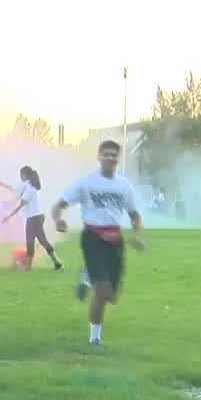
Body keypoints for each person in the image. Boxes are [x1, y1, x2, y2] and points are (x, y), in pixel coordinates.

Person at [50, 140, 146, 347]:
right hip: (93, 237)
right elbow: (58, 205)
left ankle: (86, 275)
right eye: (106, 154)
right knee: (101, 290)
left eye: (114, 155)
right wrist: (59, 220)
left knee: (112, 297)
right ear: (99, 156)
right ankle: (95, 338)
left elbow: (134, 214)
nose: (110, 157)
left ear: (118, 159)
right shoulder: (86, 183)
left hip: (115, 239)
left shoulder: (123, 185)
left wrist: (138, 235)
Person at [0, 166, 64, 271]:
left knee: (31, 242)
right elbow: (12, 188)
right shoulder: (26, 185)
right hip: (36, 218)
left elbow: (21, 204)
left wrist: (9, 216)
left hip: (33, 219)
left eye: (20, 175)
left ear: (24, 175)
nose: (20, 177)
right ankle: (57, 263)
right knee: (42, 241)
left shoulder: (30, 188)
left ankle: (28, 267)